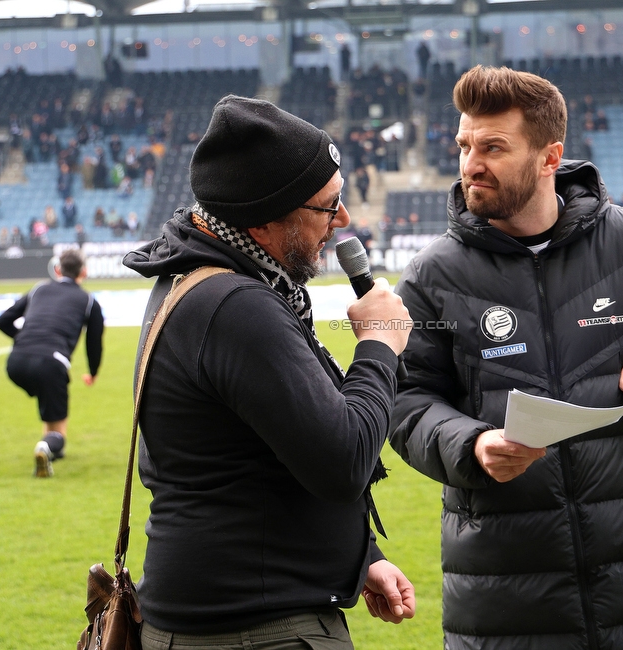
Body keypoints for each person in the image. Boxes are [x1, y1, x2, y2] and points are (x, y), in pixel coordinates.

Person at [388, 66, 623, 649]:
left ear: (550, 157)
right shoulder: (432, 275)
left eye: (494, 147)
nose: (471, 163)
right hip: (507, 600)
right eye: (465, 145)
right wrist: (469, 444)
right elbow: (404, 396)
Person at [121, 95, 416, 649]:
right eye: (328, 206)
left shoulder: (205, 283)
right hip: (255, 630)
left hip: (239, 611)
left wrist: (359, 557)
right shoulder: (237, 306)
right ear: (266, 216)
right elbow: (342, 459)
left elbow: (259, 459)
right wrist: (379, 346)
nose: (344, 220)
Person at [0, 249, 104, 477]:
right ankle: (48, 446)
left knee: (48, 400)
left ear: (57, 270)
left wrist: (23, 339)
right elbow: (94, 343)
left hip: (15, 362)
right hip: (51, 363)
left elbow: (2, 321)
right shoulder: (89, 301)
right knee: (58, 423)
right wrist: (93, 372)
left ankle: (51, 451)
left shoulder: (39, 288)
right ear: (84, 272)